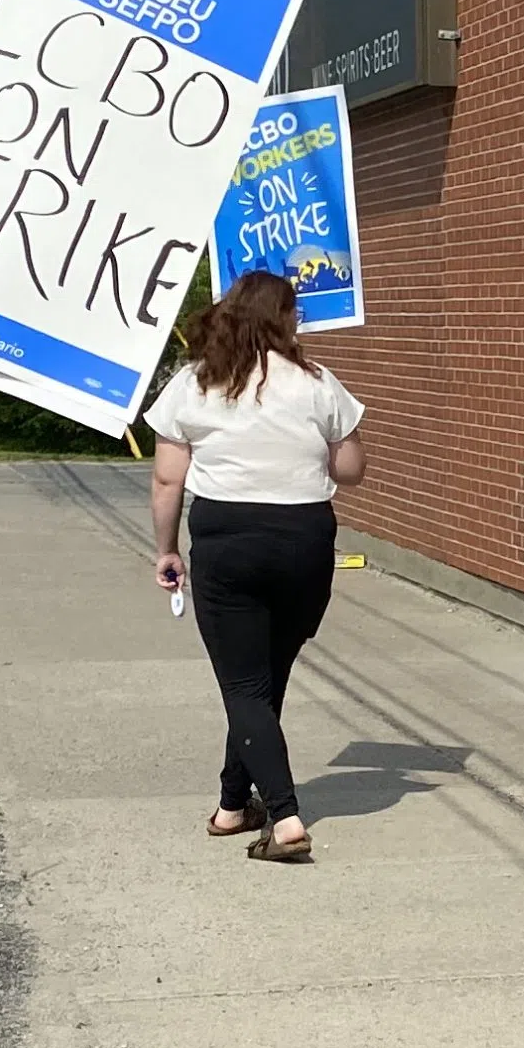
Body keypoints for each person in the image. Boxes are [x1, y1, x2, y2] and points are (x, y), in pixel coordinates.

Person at [145, 268, 365, 863]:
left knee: (244, 686)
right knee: (264, 682)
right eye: (295, 312)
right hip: (305, 539)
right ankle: (232, 804)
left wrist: (167, 549)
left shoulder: (194, 383)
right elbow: (349, 471)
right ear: (283, 318)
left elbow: (169, 479)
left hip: (227, 538)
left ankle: (286, 817)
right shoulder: (318, 383)